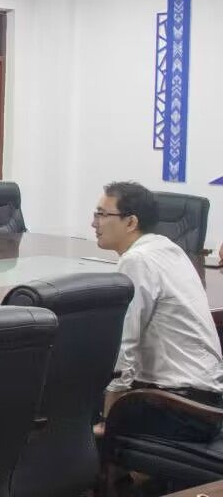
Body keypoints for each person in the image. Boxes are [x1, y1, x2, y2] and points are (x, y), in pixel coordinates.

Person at [94, 181, 223, 442]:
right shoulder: (168, 249)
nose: (93, 223)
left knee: (70, 408)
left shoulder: (137, 260)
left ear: (131, 222)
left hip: (179, 410)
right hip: (207, 403)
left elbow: (124, 347)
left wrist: (109, 421)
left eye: (102, 214)